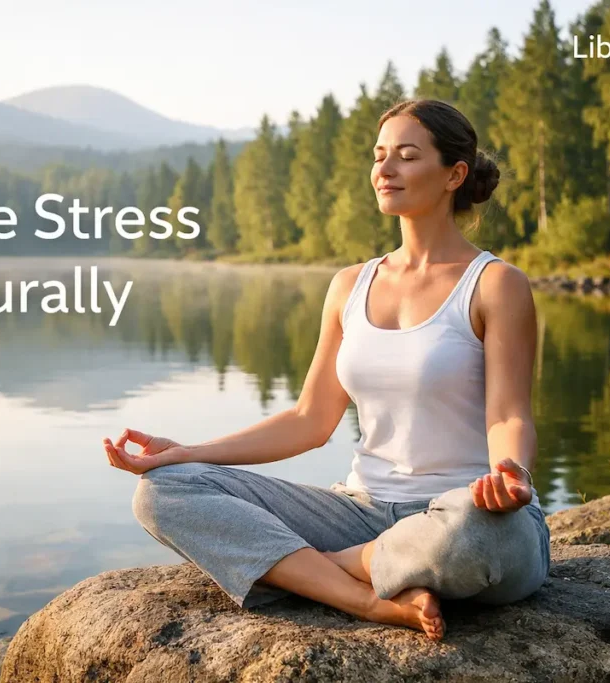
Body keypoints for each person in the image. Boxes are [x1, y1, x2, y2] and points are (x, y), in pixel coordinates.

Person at [102, 98, 550, 642]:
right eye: (380, 155)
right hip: (358, 508)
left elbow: (507, 414)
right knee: (163, 491)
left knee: (483, 540)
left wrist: (513, 474)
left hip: (461, 509)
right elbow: (309, 419)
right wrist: (186, 453)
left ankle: (323, 565)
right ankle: (367, 599)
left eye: (406, 156)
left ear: (455, 174)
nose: (384, 170)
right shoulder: (349, 286)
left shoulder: (495, 284)